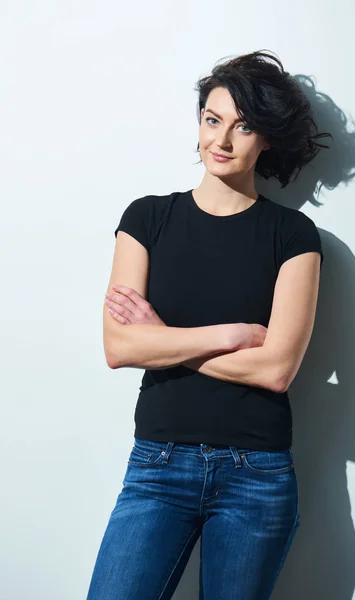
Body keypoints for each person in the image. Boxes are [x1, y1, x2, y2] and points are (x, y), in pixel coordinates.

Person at [86, 49, 330, 599]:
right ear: (199, 124)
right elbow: (118, 346)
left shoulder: (294, 236)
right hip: (157, 466)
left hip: (257, 476)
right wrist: (230, 335)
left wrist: (162, 337)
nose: (222, 140)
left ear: (265, 138)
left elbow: (275, 370)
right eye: (212, 119)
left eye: (244, 126)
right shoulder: (146, 218)